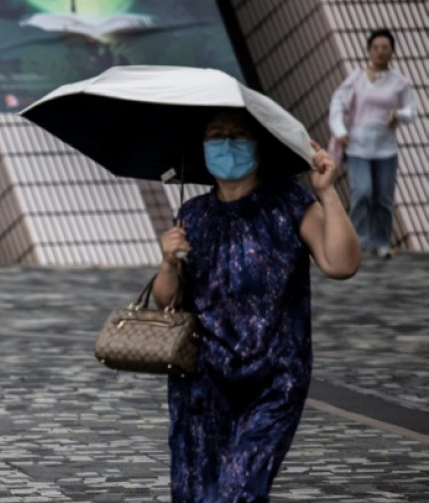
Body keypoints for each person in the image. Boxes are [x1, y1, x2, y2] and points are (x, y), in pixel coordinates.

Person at [153, 109, 361, 502]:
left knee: (240, 489)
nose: (227, 142)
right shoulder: (192, 215)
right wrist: (167, 262)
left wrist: (327, 192)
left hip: (275, 378)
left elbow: (342, 264)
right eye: (217, 133)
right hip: (201, 380)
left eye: (239, 134)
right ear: (201, 146)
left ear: (260, 147)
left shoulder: (290, 203)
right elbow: (169, 301)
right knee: (196, 492)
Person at [329, 28, 416, 259]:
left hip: (386, 149)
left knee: (384, 197)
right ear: (369, 51)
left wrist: (399, 115)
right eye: (376, 47)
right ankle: (359, 240)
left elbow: (411, 110)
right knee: (362, 192)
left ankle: (381, 242)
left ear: (393, 52)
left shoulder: (399, 83)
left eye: (385, 47)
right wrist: (340, 131)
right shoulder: (356, 78)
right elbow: (337, 103)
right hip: (358, 147)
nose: (380, 52)